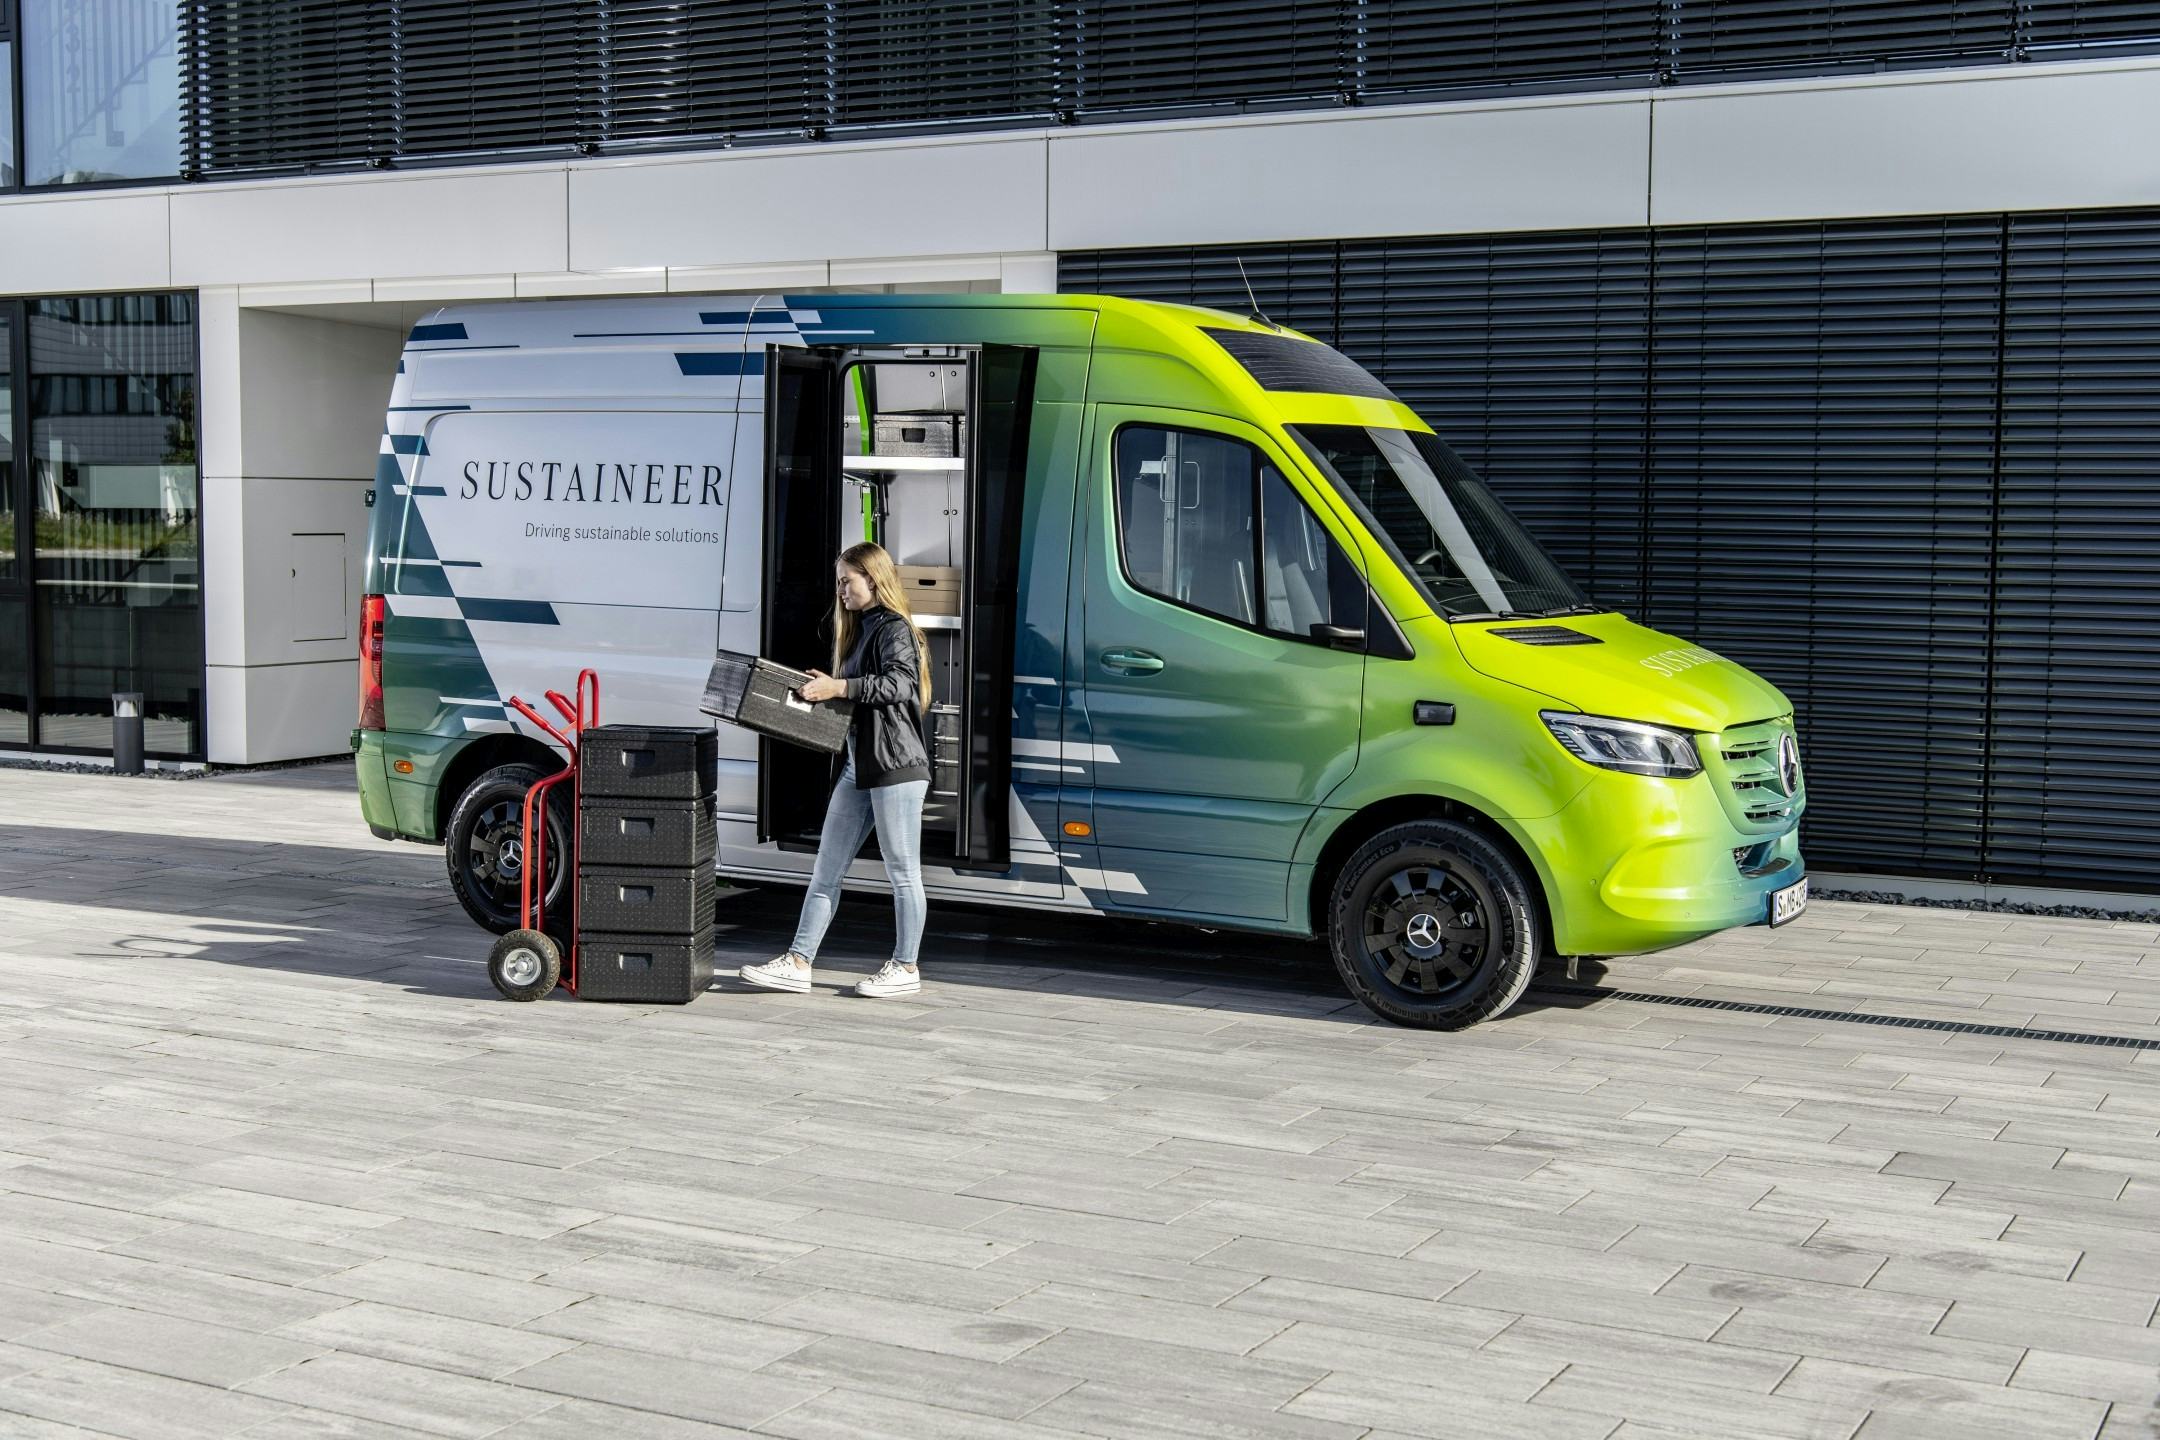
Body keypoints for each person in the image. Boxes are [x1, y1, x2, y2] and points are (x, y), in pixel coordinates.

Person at [739, 542, 933, 999]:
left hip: (896, 767)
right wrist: (825, 690)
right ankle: (798, 961)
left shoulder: (894, 627)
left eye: (848, 580)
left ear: (874, 579)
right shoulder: (861, 629)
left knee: (903, 871)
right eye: (839, 581)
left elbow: (901, 683)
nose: (841, 590)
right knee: (826, 870)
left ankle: (906, 967)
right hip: (859, 767)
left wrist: (840, 685)